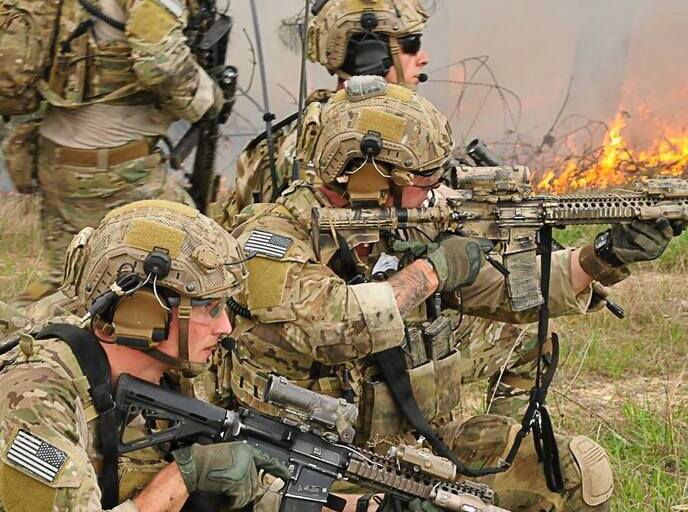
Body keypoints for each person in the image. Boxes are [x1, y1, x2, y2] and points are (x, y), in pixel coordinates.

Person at [223, 76, 685, 511]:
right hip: (307, 466)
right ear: (370, 175)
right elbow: (337, 326)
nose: (435, 192)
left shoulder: (403, 225)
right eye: (424, 180)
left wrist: (603, 255)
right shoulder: (270, 240)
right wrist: (432, 272)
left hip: (413, 448)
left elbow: (508, 292)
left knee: (575, 471)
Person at [0, 200, 288, 511]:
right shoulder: (34, 398)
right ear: (143, 310)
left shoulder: (172, 376)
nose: (225, 328)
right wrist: (180, 478)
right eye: (211, 308)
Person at [8, 0, 225, 304]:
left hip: (55, 157)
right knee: (194, 262)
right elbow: (160, 63)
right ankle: (22, 326)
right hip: (114, 170)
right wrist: (210, 98)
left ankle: (26, 327)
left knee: (69, 280)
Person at [218, 0, 429, 227]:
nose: (424, 58)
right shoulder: (299, 146)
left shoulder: (415, 131)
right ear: (370, 53)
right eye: (411, 45)